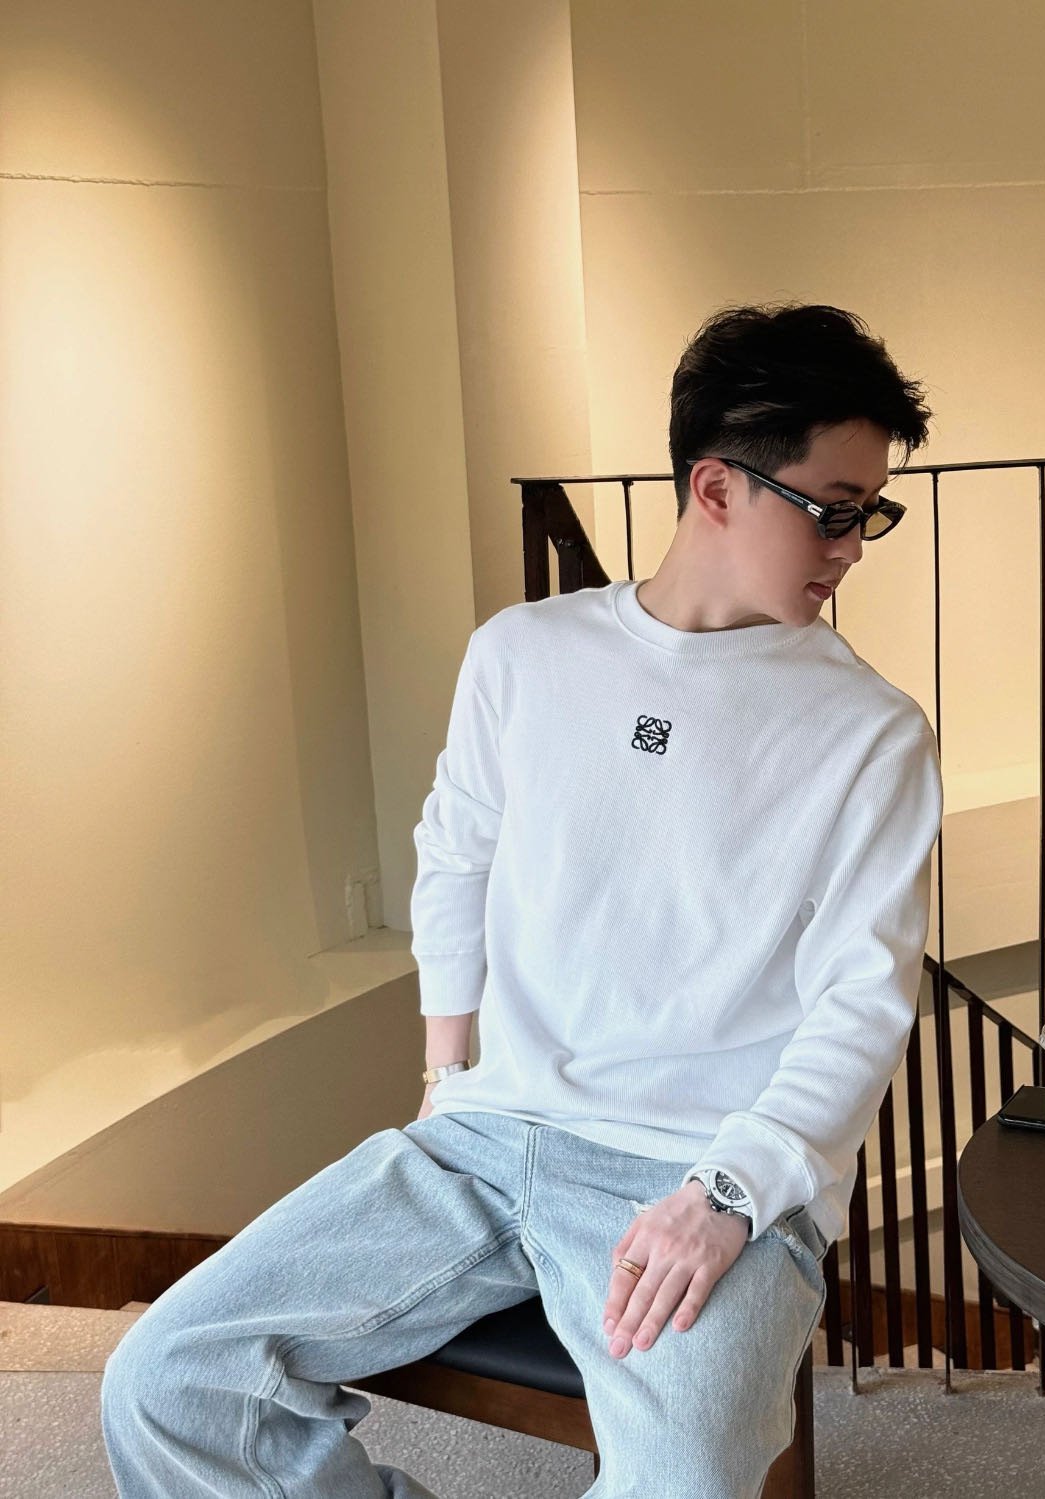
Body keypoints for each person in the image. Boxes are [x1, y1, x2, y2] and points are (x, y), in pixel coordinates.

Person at [101, 301, 944, 1499]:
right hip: (485, 1135)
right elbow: (456, 854)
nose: (854, 546)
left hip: (710, 1165)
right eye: (835, 508)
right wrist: (446, 1068)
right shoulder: (522, 654)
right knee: (166, 1376)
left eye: (872, 513)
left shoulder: (871, 733)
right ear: (715, 487)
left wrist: (728, 1194)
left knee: (686, 1474)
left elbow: (863, 1002)